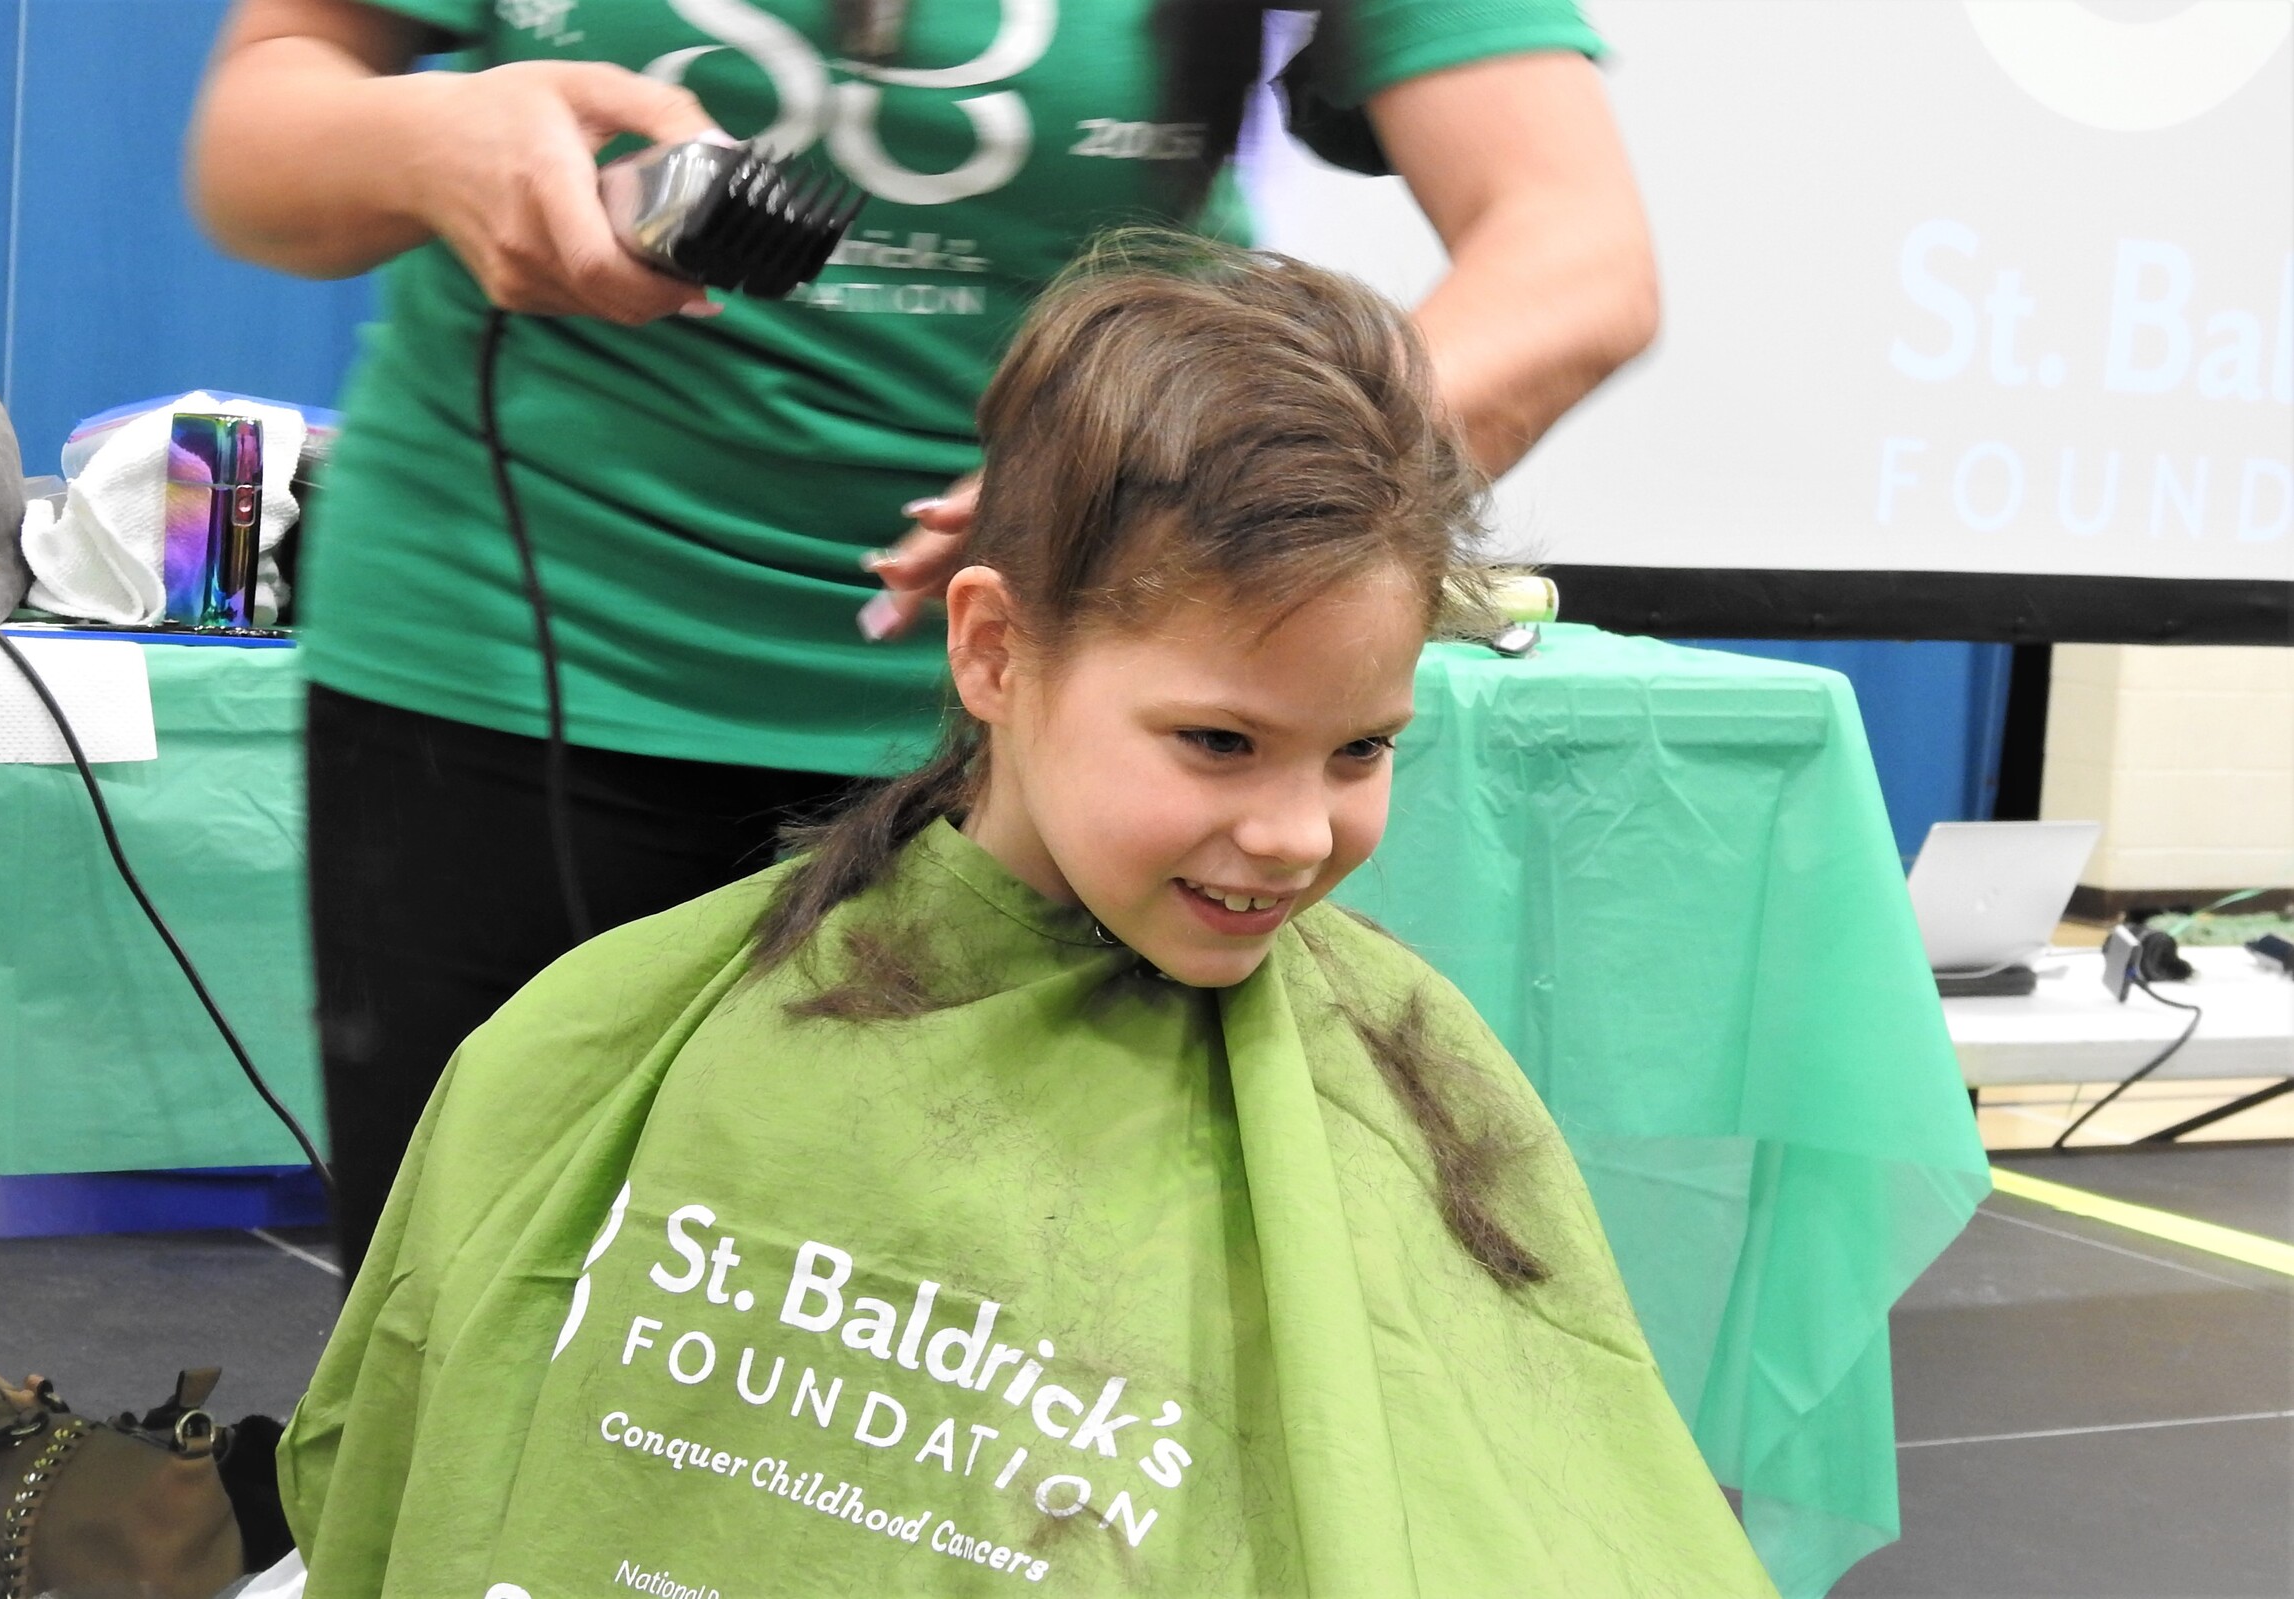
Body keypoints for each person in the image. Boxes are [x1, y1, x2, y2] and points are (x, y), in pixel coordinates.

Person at [273, 235, 1765, 1596]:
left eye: (1362, 749)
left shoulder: (1397, 1084)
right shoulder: (617, 1038)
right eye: (1219, 742)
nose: (1298, 834)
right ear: (993, 649)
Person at [187, 0, 1657, 1276]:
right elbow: (261, 128)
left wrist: (1174, 483)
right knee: (466, 1317)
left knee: (999, 1370)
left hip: (1057, 751)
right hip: (508, 679)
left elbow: (1574, 254)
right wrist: (424, 141)